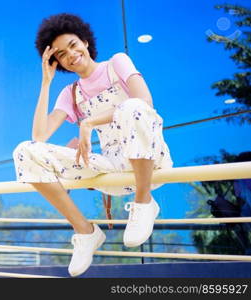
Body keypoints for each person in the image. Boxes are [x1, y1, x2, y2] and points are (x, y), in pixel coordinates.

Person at [12, 13, 173, 277]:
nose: (71, 55)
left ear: (85, 42)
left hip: (150, 162)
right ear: (58, 62)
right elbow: (39, 136)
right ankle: (85, 232)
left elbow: (145, 101)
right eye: (62, 54)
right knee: (25, 152)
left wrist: (88, 123)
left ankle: (144, 203)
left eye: (73, 45)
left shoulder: (116, 63)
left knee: (134, 106)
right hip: (112, 170)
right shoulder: (71, 93)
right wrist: (46, 82)